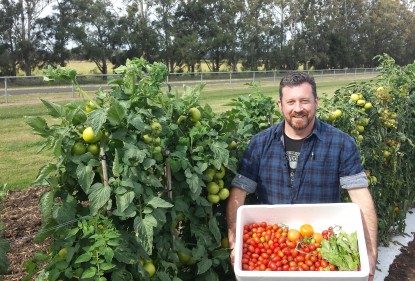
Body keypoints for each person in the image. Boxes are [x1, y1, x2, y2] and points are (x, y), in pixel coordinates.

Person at [226, 71, 377, 280]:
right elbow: (239, 192)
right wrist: (235, 241)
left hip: (322, 252)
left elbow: (360, 197)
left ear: (316, 102)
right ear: (280, 105)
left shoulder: (341, 143)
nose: (298, 109)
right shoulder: (260, 143)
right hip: (275, 253)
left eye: (305, 101)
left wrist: (370, 251)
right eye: (291, 102)